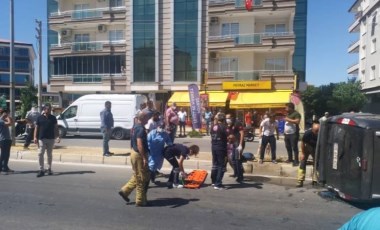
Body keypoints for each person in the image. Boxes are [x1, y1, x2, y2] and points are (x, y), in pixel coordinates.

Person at [119, 112, 150, 207]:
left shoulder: (135, 127)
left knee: (139, 175)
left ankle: (125, 191)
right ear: (143, 118)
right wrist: (144, 157)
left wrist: (131, 150)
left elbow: (131, 141)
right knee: (141, 178)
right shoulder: (140, 129)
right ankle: (140, 200)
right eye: (147, 118)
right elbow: (139, 143)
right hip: (139, 155)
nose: (148, 120)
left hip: (134, 152)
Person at [34, 104, 60, 177]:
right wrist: (35, 137)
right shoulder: (39, 118)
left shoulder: (53, 118)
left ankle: (49, 169)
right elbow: (36, 128)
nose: (48, 110)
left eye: (49, 109)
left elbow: (56, 128)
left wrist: (57, 136)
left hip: (51, 138)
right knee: (40, 153)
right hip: (41, 138)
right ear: (44, 109)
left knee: (49, 155)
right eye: (47, 109)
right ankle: (41, 169)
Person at [296, 123, 320, 187]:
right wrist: (303, 153)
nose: (317, 132)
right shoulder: (307, 133)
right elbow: (303, 143)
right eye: (315, 131)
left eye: (318, 131)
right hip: (307, 146)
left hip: (315, 148)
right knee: (303, 162)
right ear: (312, 129)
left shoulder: (321, 134)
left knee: (316, 163)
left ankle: (315, 180)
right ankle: (300, 180)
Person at [210, 113, 228, 190]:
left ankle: (213, 181)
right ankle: (218, 184)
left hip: (214, 147)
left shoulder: (213, 126)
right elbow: (228, 136)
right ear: (224, 120)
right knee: (221, 165)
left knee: (215, 164)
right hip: (221, 147)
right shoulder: (223, 127)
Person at [225, 113, 245, 181]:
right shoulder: (228, 124)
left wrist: (240, 144)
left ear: (232, 118)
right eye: (226, 118)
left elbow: (242, 133)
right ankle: (236, 173)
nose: (227, 119)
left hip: (238, 143)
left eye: (228, 118)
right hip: (233, 143)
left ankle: (240, 176)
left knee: (237, 160)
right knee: (233, 159)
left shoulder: (237, 123)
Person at [284, 102, 301, 166]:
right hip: (287, 133)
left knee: (294, 147)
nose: (285, 109)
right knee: (288, 147)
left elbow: (297, 121)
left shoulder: (296, 114)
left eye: (286, 107)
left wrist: (288, 119)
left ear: (290, 107)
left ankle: (296, 161)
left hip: (293, 133)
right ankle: (290, 158)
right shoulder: (288, 114)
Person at [0, 109, 14, 173]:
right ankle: (3, 167)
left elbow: (11, 123)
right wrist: (8, 117)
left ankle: (4, 166)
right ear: (3, 113)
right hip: (3, 139)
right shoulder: (1, 120)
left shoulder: (4, 120)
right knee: (4, 154)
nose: (7, 114)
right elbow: (9, 123)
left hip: (7, 139)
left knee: (5, 154)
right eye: (7, 113)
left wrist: (8, 117)